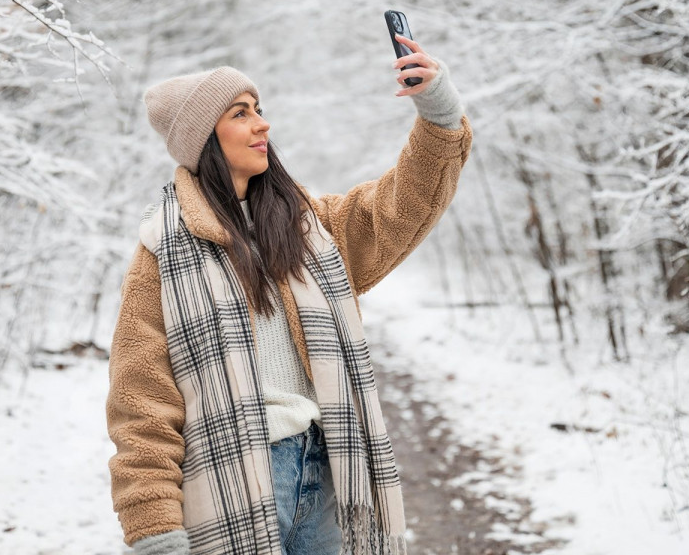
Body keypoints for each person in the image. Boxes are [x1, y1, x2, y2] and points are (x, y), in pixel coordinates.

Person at [106, 33, 472, 555]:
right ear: (205, 138)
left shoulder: (309, 230)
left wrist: (437, 112)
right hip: (234, 482)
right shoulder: (162, 255)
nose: (262, 124)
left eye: (259, 108)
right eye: (241, 113)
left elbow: (402, 206)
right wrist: (155, 532)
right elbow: (139, 405)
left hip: (328, 473)